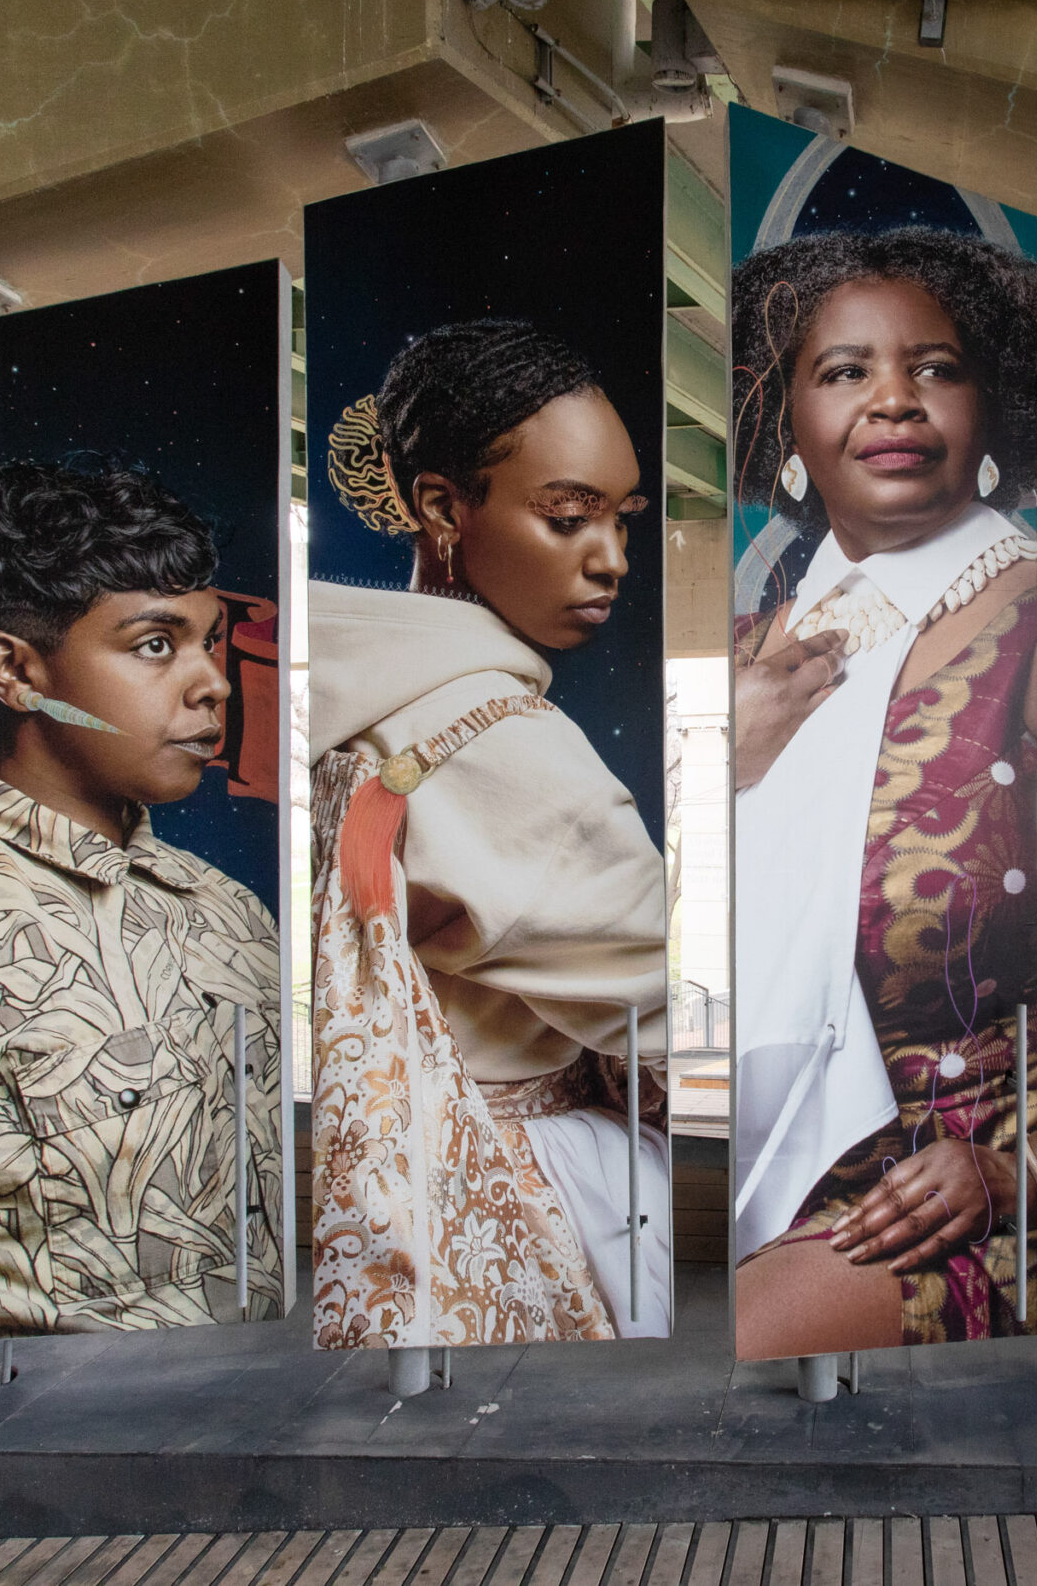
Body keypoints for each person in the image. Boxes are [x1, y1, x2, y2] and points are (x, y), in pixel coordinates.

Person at [0, 462, 283, 1345]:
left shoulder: (229, 909)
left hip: (263, 1423)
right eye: (156, 644)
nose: (213, 683)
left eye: (211, 639)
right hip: (33, 1456)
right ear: (14, 671)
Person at [308, 319, 669, 1347]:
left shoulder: (345, 696)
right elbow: (650, 983)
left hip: (401, 1176)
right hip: (526, 1184)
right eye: (567, 519)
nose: (611, 561)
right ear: (440, 506)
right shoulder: (494, 735)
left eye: (624, 520)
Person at [725, 228, 1037, 1359]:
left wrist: (1016, 1166)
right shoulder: (756, 650)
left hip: (959, 1167)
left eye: (936, 367)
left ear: (985, 408)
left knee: (758, 1332)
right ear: (793, 428)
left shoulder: (1029, 624)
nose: (894, 400)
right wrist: (729, 760)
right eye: (846, 371)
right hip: (778, 1140)